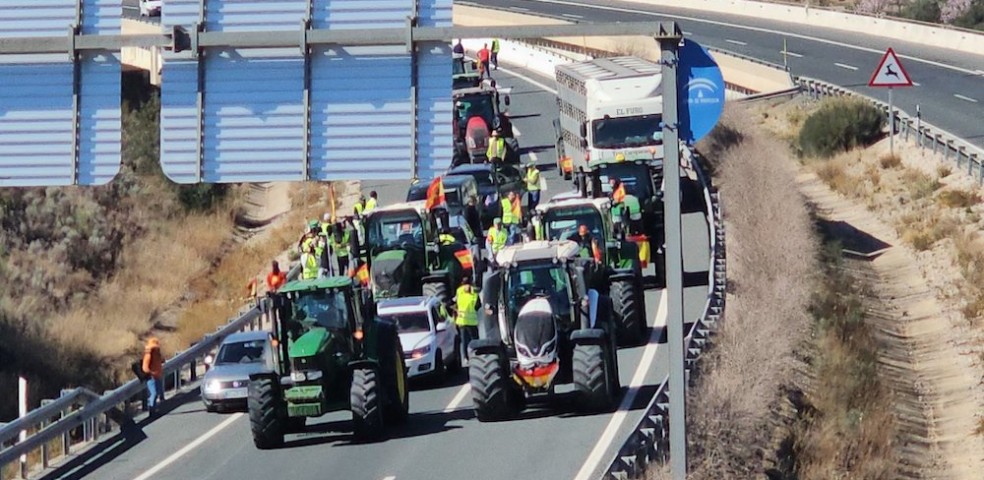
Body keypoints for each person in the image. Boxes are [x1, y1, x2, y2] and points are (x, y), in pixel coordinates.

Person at [454, 276, 480, 361]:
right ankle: (475, 355)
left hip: (464, 321)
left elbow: (455, 303)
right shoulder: (474, 293)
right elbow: (478, 305)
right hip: (468, 321)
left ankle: (467, 357)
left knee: (465, 341)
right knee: (473, 340)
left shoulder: (459, 291)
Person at [142, 337, 164, 415]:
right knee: (154, 393)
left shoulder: (157, 354)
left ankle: (154, 409)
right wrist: (151, 373)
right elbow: (145, 368)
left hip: (157, 376)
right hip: (152, 378)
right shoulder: (149, 355)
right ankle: (152, 410)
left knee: (157, 392)